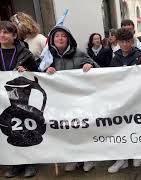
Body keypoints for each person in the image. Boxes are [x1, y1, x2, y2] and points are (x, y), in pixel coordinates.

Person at [42, 25, 99, 172]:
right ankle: (72, 158)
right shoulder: (48, 57)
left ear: (69, 39)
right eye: (57, 36)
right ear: (52, 40)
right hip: (60, 103)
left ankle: (88, 159)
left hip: (78, 101)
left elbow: (98, 69)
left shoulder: (79, 53)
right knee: (66, 130)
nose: (60, 38)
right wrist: (45, 70)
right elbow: (37, 72)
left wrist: (89, 64)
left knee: (82, 129)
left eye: (64, 36)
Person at [0, 21, 38, 178]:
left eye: (6, 32)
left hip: (21, 98)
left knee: (24, 127)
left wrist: (27, 70)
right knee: (8, 128)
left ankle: (30, 162)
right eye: (0, 32)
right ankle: (15, 163)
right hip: (2, 99)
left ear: (14, 35)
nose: (2, 35)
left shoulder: (24, 53)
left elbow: (37, 72)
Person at [107, 28, 141, 173]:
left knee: (135, 126)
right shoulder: (115, 58)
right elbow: (111, 78)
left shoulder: (139, 57)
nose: (125, 44)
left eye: (128, 41)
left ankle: (136, 152)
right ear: (118, 42)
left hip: (136, 99)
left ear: (132, 42)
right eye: (122, 41)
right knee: (120, 128)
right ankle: (121, 159)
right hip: (120, 99)